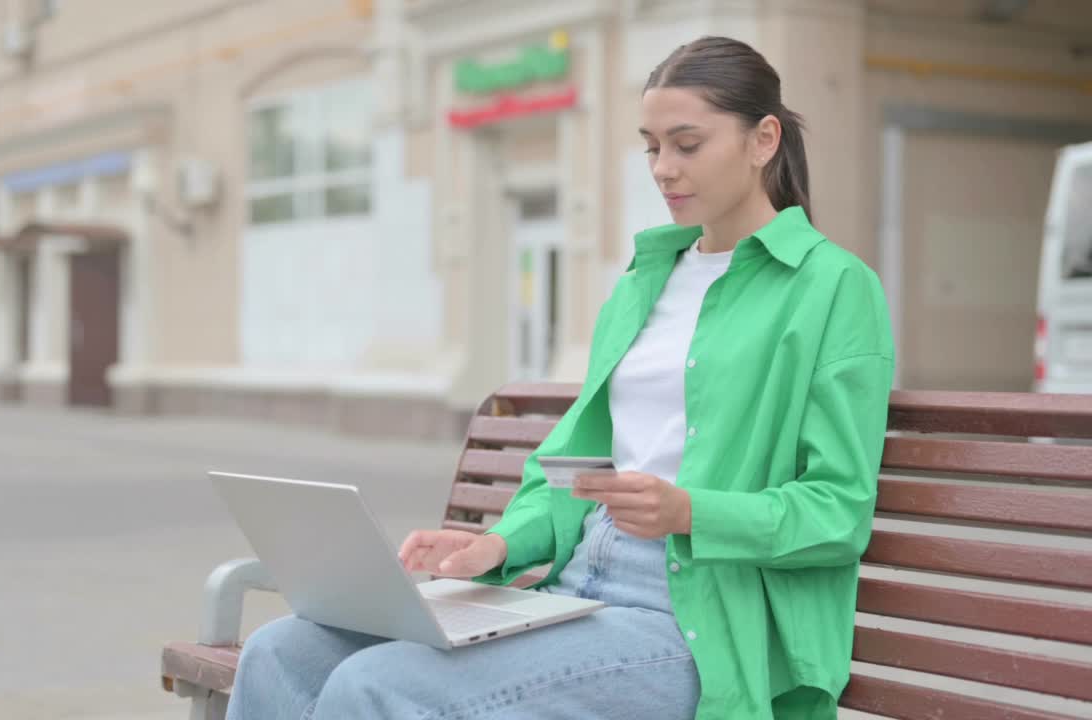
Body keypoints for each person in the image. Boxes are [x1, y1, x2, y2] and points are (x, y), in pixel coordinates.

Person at [226, 35, 894, 720]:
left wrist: (689, 512)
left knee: (379, 686)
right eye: (652, 147)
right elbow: (573, 469)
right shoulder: (644, 281)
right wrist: (498, 544)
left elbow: (838, 511)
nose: (664, 169)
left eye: (687, 144)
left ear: (764, 140)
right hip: (577, 587)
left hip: (694, 626)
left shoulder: (833, 288)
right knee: (282, 652)